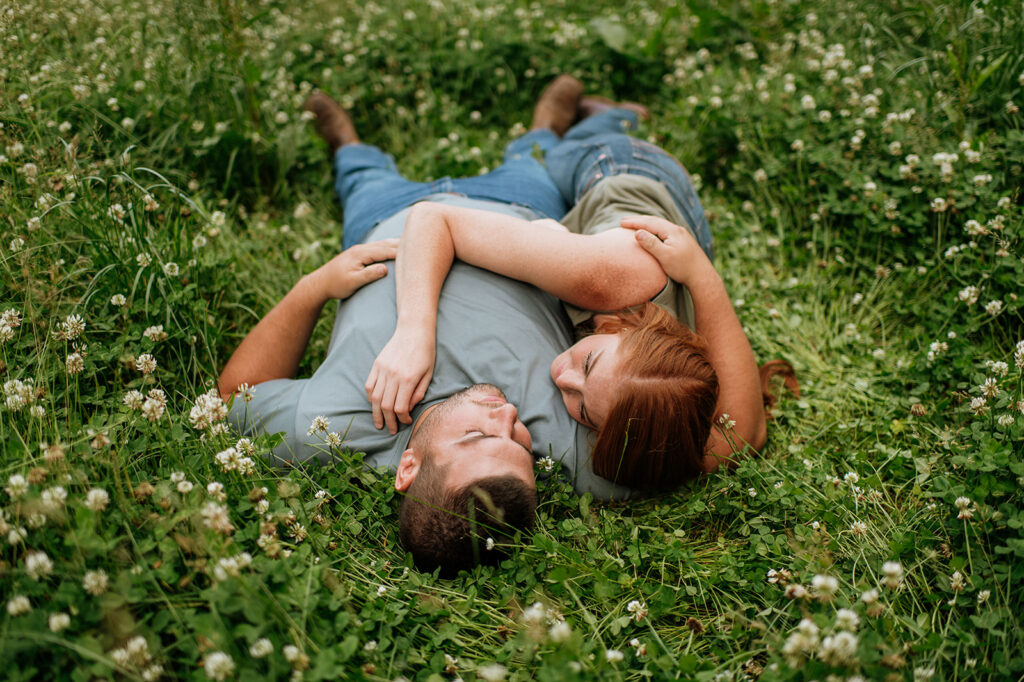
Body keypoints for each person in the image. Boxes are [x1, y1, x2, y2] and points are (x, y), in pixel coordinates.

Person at [221, 76, 635, 575]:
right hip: (515, 211)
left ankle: (348, 145)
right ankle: (544, 128)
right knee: (531, 163)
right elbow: (729, 438)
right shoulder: (571, 443)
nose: (506, 418)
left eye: (479, 438)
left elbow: (234, 396)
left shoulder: (327, 430)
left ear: (409, 468)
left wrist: (314, 287)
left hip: (386, 216)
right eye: (522, 446)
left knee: (363, 178)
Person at [366, 77, 796, 492]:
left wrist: (699, 274)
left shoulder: (647, 408)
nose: (562, 376)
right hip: (622, 171)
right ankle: (606, 118)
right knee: (550, 156)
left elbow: (746, 434)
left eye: (584, 410)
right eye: (587, 365)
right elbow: (431, 218)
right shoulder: (600, 278)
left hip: (669, 232)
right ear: (615, 326)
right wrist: (413, 334)